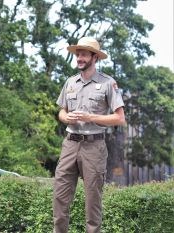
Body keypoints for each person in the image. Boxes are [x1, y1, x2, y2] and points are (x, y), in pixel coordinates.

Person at [53, 37, 126, 233]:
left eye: (84, 54)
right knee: (60, 198)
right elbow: (61, 111)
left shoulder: (108, 83)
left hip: (94, 147)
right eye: (78, 54)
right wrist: (66, 117)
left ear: (95, 57)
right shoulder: (70, 82)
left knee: (92, 203)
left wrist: (90, 117)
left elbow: (120, 119)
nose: (79, 58)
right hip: (69, 145)